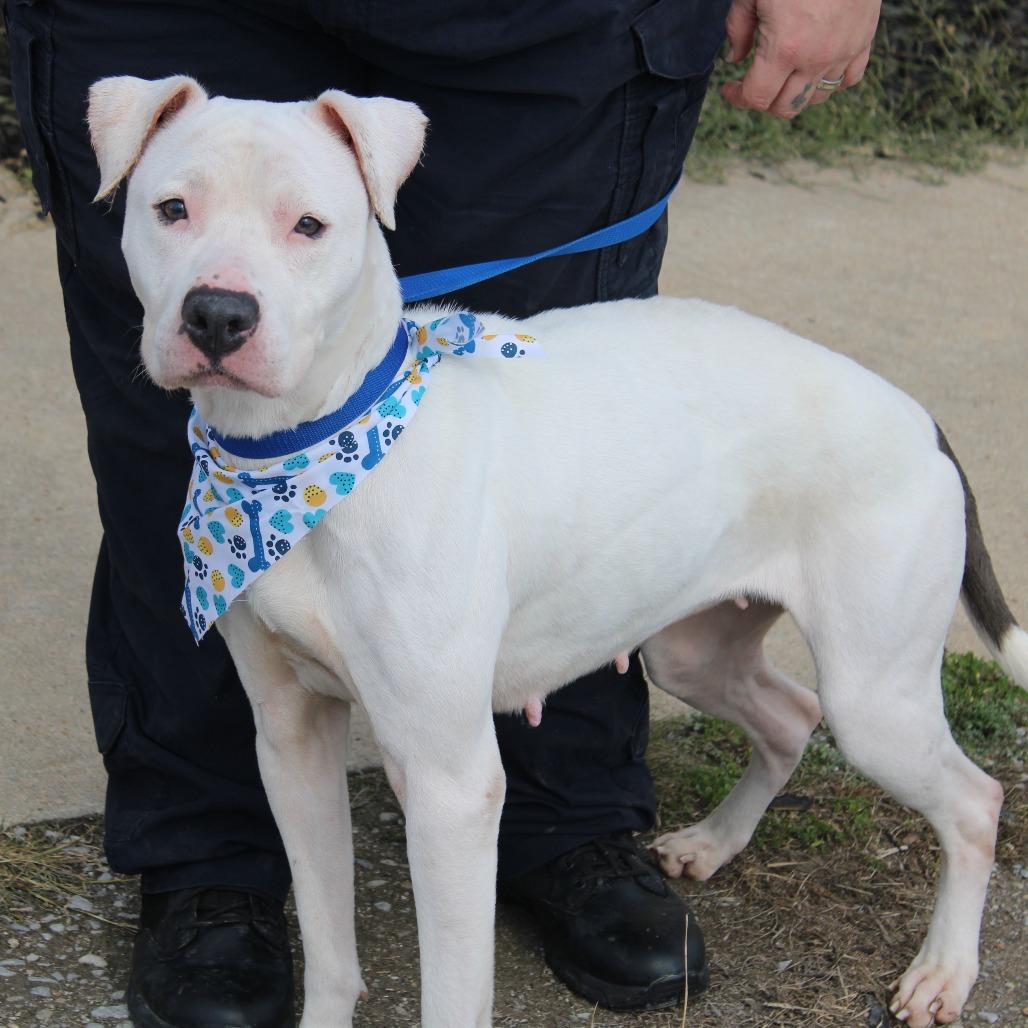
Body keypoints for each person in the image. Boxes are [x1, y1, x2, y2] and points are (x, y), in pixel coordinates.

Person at [4, 0, 881, 1024]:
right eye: (172, 213)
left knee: (558, 439)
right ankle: (211, 859)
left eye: (304, 225)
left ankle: (569, 812)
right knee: (171, 455)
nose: (220, 285)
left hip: (541, 30)